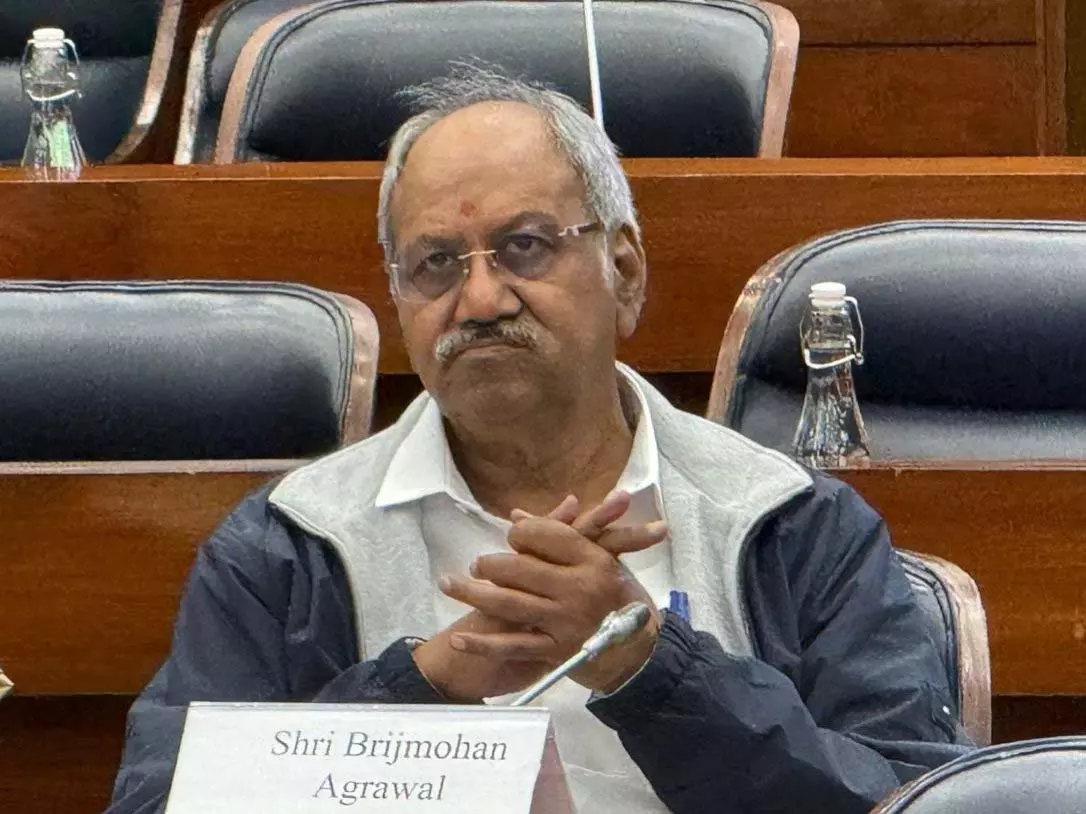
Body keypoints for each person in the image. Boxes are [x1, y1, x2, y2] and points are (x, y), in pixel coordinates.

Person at [108, 66, 971, 814]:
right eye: (436, 263)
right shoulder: (287, 546)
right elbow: (163, 800)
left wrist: (647, 666)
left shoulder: (792, 524)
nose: (481, 301)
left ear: (624, 272)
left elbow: (908, 797)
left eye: (524, 247)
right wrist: (424, 687)